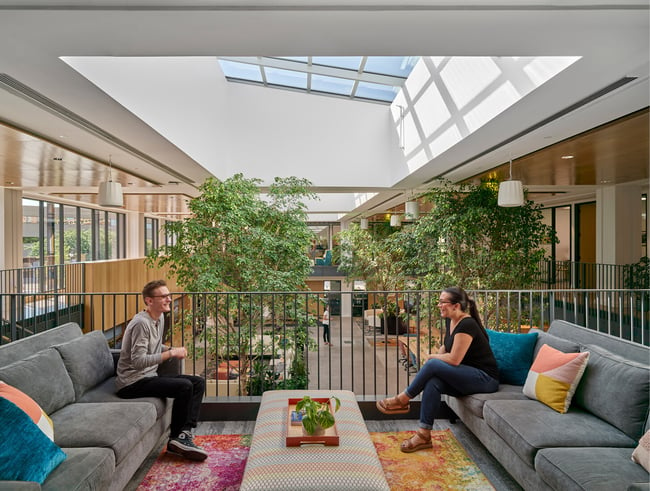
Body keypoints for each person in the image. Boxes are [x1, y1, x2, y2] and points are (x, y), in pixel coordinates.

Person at [376, 286, 499, 453]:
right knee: (433, 382)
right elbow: (446, 347)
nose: (439, 305)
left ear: (456, 305)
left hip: (484, 379)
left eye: (443, 302)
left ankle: (402, 399)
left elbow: (454, 359)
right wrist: (435, 358)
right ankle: (423, 435)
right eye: (439, 302)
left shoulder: (467, 324)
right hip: (466, 376)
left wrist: (432, 359)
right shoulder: (452, 321)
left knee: (433, 364)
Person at [115, 279, 208, 461]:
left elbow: (154, 347)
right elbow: (138, 361)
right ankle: (174, 438)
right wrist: (172, 353)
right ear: (149, 301)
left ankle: (184, 434)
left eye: (169, 295)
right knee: (184, 386)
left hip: (149, 375)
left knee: (198, 382)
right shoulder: (141, 323)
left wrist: (168, 349)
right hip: (132, 383)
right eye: (164, 296)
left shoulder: (159, 318)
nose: (169, 299)